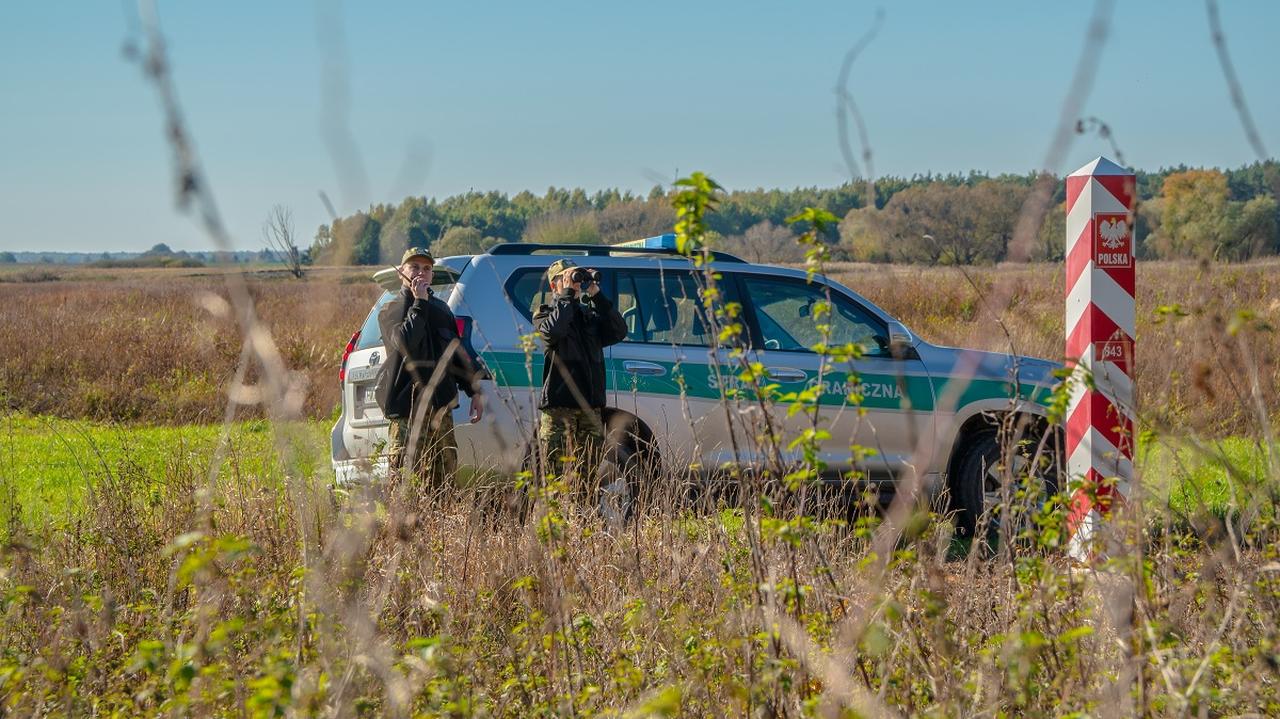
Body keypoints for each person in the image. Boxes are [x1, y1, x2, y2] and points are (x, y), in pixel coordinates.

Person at [375, 247, 483, 489]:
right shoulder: (391, 309)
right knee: (405, 486)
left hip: (440, 410)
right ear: (401, 272)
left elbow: (457, 355)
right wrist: (419, 303)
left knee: (444, 485)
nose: (421, 273)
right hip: (407, 410)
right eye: (414, 267)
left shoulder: (442, 310)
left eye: (427, 269)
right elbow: (405, 344)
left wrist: (474, 391)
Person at [534, 259, 628, 478]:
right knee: (555, 477)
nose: (573, 283)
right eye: (565, 278)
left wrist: (595, 293)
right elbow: (553, 333)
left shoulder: (589, 316)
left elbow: (619, 331)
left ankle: (581, 513)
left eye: (575, 278)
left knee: (586, 478)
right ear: (553, 285)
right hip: (560, 410)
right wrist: (566, 296)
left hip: (590, 409)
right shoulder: (544, 314)